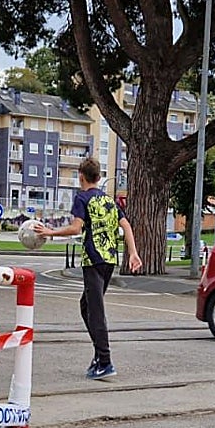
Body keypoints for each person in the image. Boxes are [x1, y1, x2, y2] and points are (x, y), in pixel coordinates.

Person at [35, 157, 142, 380]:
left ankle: (105, 360)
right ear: (100, 178)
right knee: (86, 306)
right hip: (110, 260)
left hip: (93, 260)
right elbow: (126, 225)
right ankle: (99, 355)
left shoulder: (82, 198)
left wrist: (50, 233)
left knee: (96, 310)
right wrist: (132, 252)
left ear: (81, 177)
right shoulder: (109, 201)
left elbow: (76, 228)